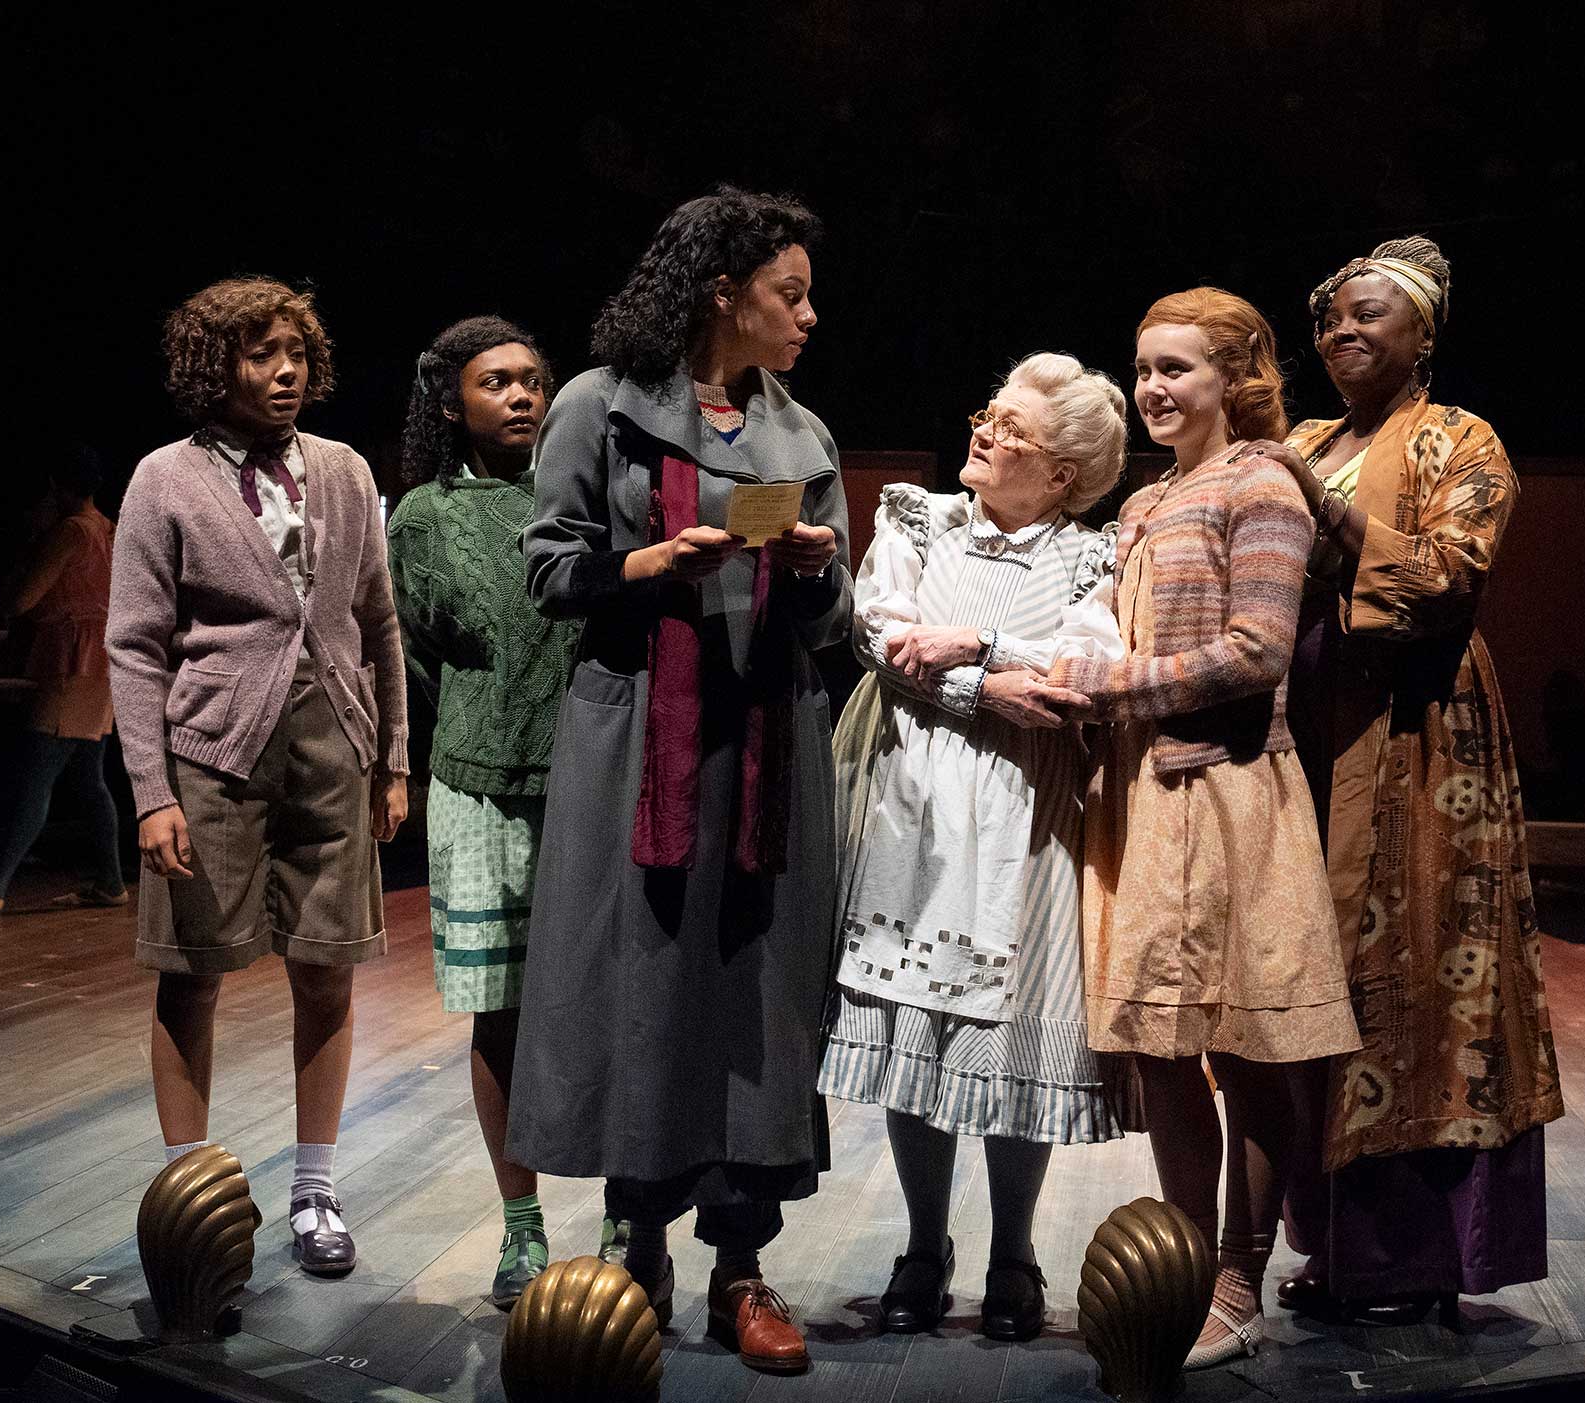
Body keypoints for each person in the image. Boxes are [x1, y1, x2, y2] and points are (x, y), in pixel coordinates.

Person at [506, 187, 849, 1376]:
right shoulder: (598, 409)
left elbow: (834, 616)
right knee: (644, 978)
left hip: (765, 735)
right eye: (788, 293)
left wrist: (808, 574)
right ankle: (635, 1242)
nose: (809, 314)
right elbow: (547, 569)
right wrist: (647, 560)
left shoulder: (801, 437)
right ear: (722, 291)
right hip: (642, 729)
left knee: (756, 989)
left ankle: (740, 1267)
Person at [1236, 236, 1562, 1323]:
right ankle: (1333, 1244)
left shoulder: (1460, 439)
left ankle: (1416, 1256)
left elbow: (1447, 577)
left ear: (1423, 334)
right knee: (1316, 980)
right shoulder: (1311, 435)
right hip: (1309, 734)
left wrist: (1320, 509)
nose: (1344, 333)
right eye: (1331, 320)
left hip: (1419, 735)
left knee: (1419, 976)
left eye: (1370, 316)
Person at [1052, 288, 1361, 1369]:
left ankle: (1241, 1276)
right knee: (1163, 1048)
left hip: (1229, 794)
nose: (1152, 389)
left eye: (1177, 369)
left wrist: (1115, 683)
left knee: (1248, 1042)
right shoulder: (1145, 502)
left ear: (1236, 378)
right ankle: (1184, 1268)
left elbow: (1257, 651)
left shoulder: (1262, 483)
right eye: (1143, 368)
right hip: (1142, 793)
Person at [818, 353, 1129, 1342]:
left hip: (1028, 814)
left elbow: (1090, 662)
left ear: (1062, 476)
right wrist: (980, 688)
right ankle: (922, 1245)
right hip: (914, 797)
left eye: (1012, 429)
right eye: (986, 413)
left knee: (1004, 1042)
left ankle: (1013, 1250)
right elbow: (881, 632)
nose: (985, 434)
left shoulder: (1090, 555)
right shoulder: (920, 519)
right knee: (913, 1027)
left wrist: (982, 647)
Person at [106, 277, 409, 1278]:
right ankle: (190, 1200)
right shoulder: (164, 478)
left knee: (326, 969)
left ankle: (315, 1191)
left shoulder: (345, 469)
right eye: (257, 354)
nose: (283, 372)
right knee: (190, 977)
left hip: (334, 748)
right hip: (212, 757)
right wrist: (151, 792)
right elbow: (137, 646)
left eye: (293, 352)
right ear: (213, 366)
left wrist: (393, 755)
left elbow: (377, 620)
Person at [388, 316, 576, 1309]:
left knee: (597, 1004)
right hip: (474, 783)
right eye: (496, 380)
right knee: (498, 1014)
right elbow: (419, 650)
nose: (520, 395)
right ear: (451, 399)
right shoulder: (420, 514)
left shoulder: (577, 493)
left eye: (534, 379)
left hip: (588, 780)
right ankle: (522, 1227)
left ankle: (631, 1216)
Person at [0, 446, 126, 913]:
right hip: (100, 665)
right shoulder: (111, 530)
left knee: (37, 774)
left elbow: (20, 600)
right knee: (88, 779)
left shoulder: (69, 533)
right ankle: (111, 882)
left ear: (56, 487)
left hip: (70, 665)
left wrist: (32, 540)